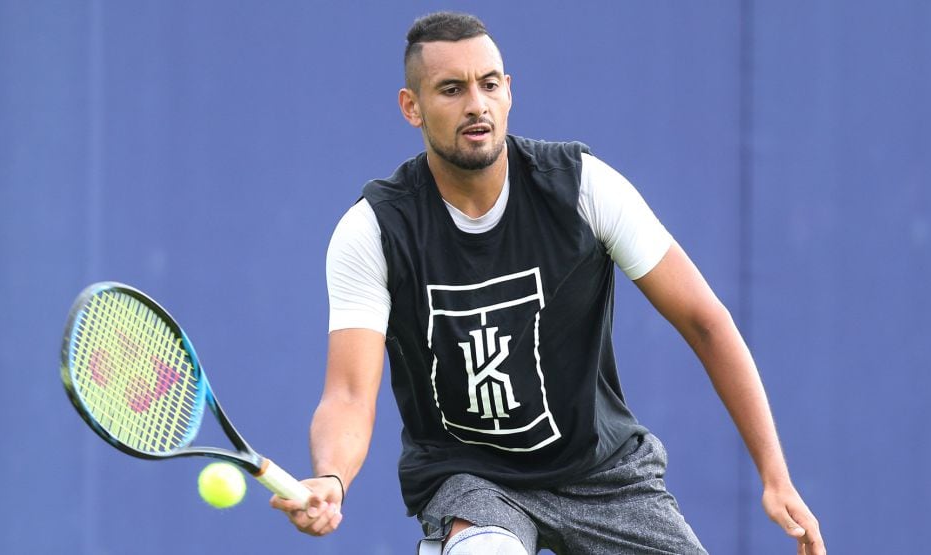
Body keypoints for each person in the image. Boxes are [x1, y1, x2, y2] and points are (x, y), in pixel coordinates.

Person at [270, 11, 824, 555]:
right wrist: (333, 478)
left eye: (489, 84)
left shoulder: (584, 188)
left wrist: (775, 475)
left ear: (509, 91)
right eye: (451, 89)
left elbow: (705, 322)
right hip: (472, 475)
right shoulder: (373, 231)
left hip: (604, 472)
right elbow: (347, 393)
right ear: (410, 106)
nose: (476, 105)